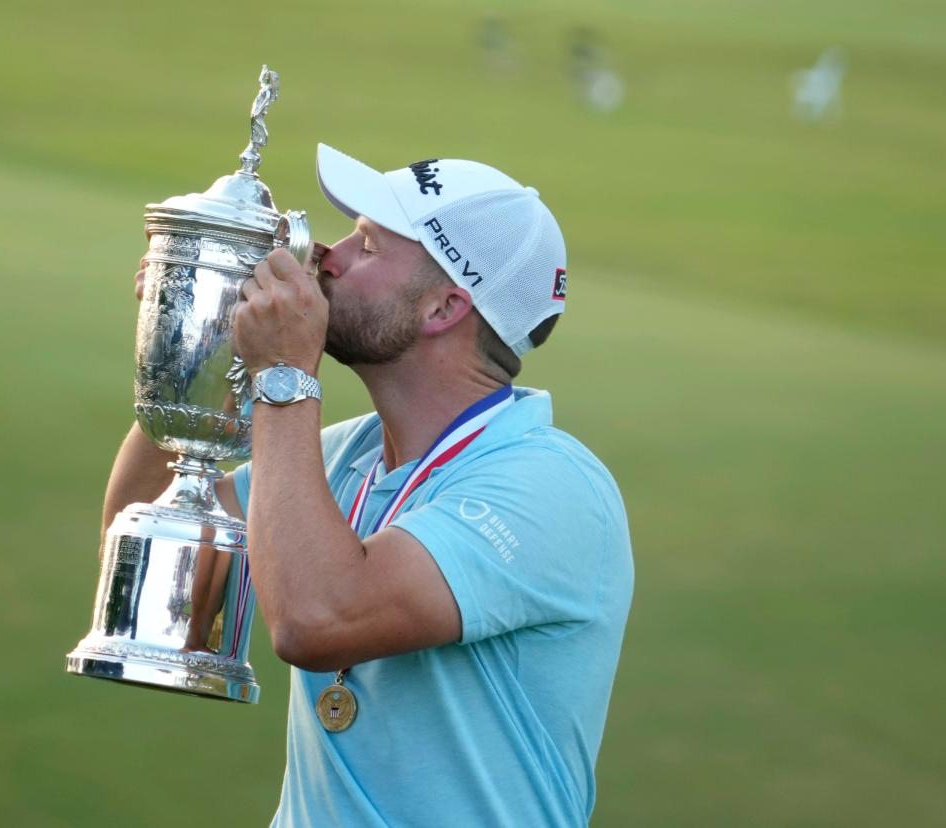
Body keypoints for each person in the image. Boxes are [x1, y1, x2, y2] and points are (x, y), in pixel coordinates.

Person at [103, 144, 634, 827]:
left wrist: (284, 376)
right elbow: (143, 544)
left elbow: (317, 619)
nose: (326, 255)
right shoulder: (343, 455)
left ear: (442, 308)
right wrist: (194, 348)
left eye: (368, 245)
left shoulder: (552, 486)